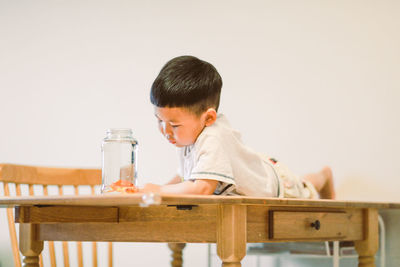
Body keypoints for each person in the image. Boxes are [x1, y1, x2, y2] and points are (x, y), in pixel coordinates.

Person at [140, 55, 335, 199]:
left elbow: (201, 189)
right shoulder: (186, 137)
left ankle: (323, 176)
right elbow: (184, 177)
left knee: (305, 187)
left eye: (174, 125)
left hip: (277, 185)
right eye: (159, 121)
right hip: (257, 167)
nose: (165, 131)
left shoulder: (213, 137)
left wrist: (157, 190)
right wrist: (150, 191)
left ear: (208, 118)